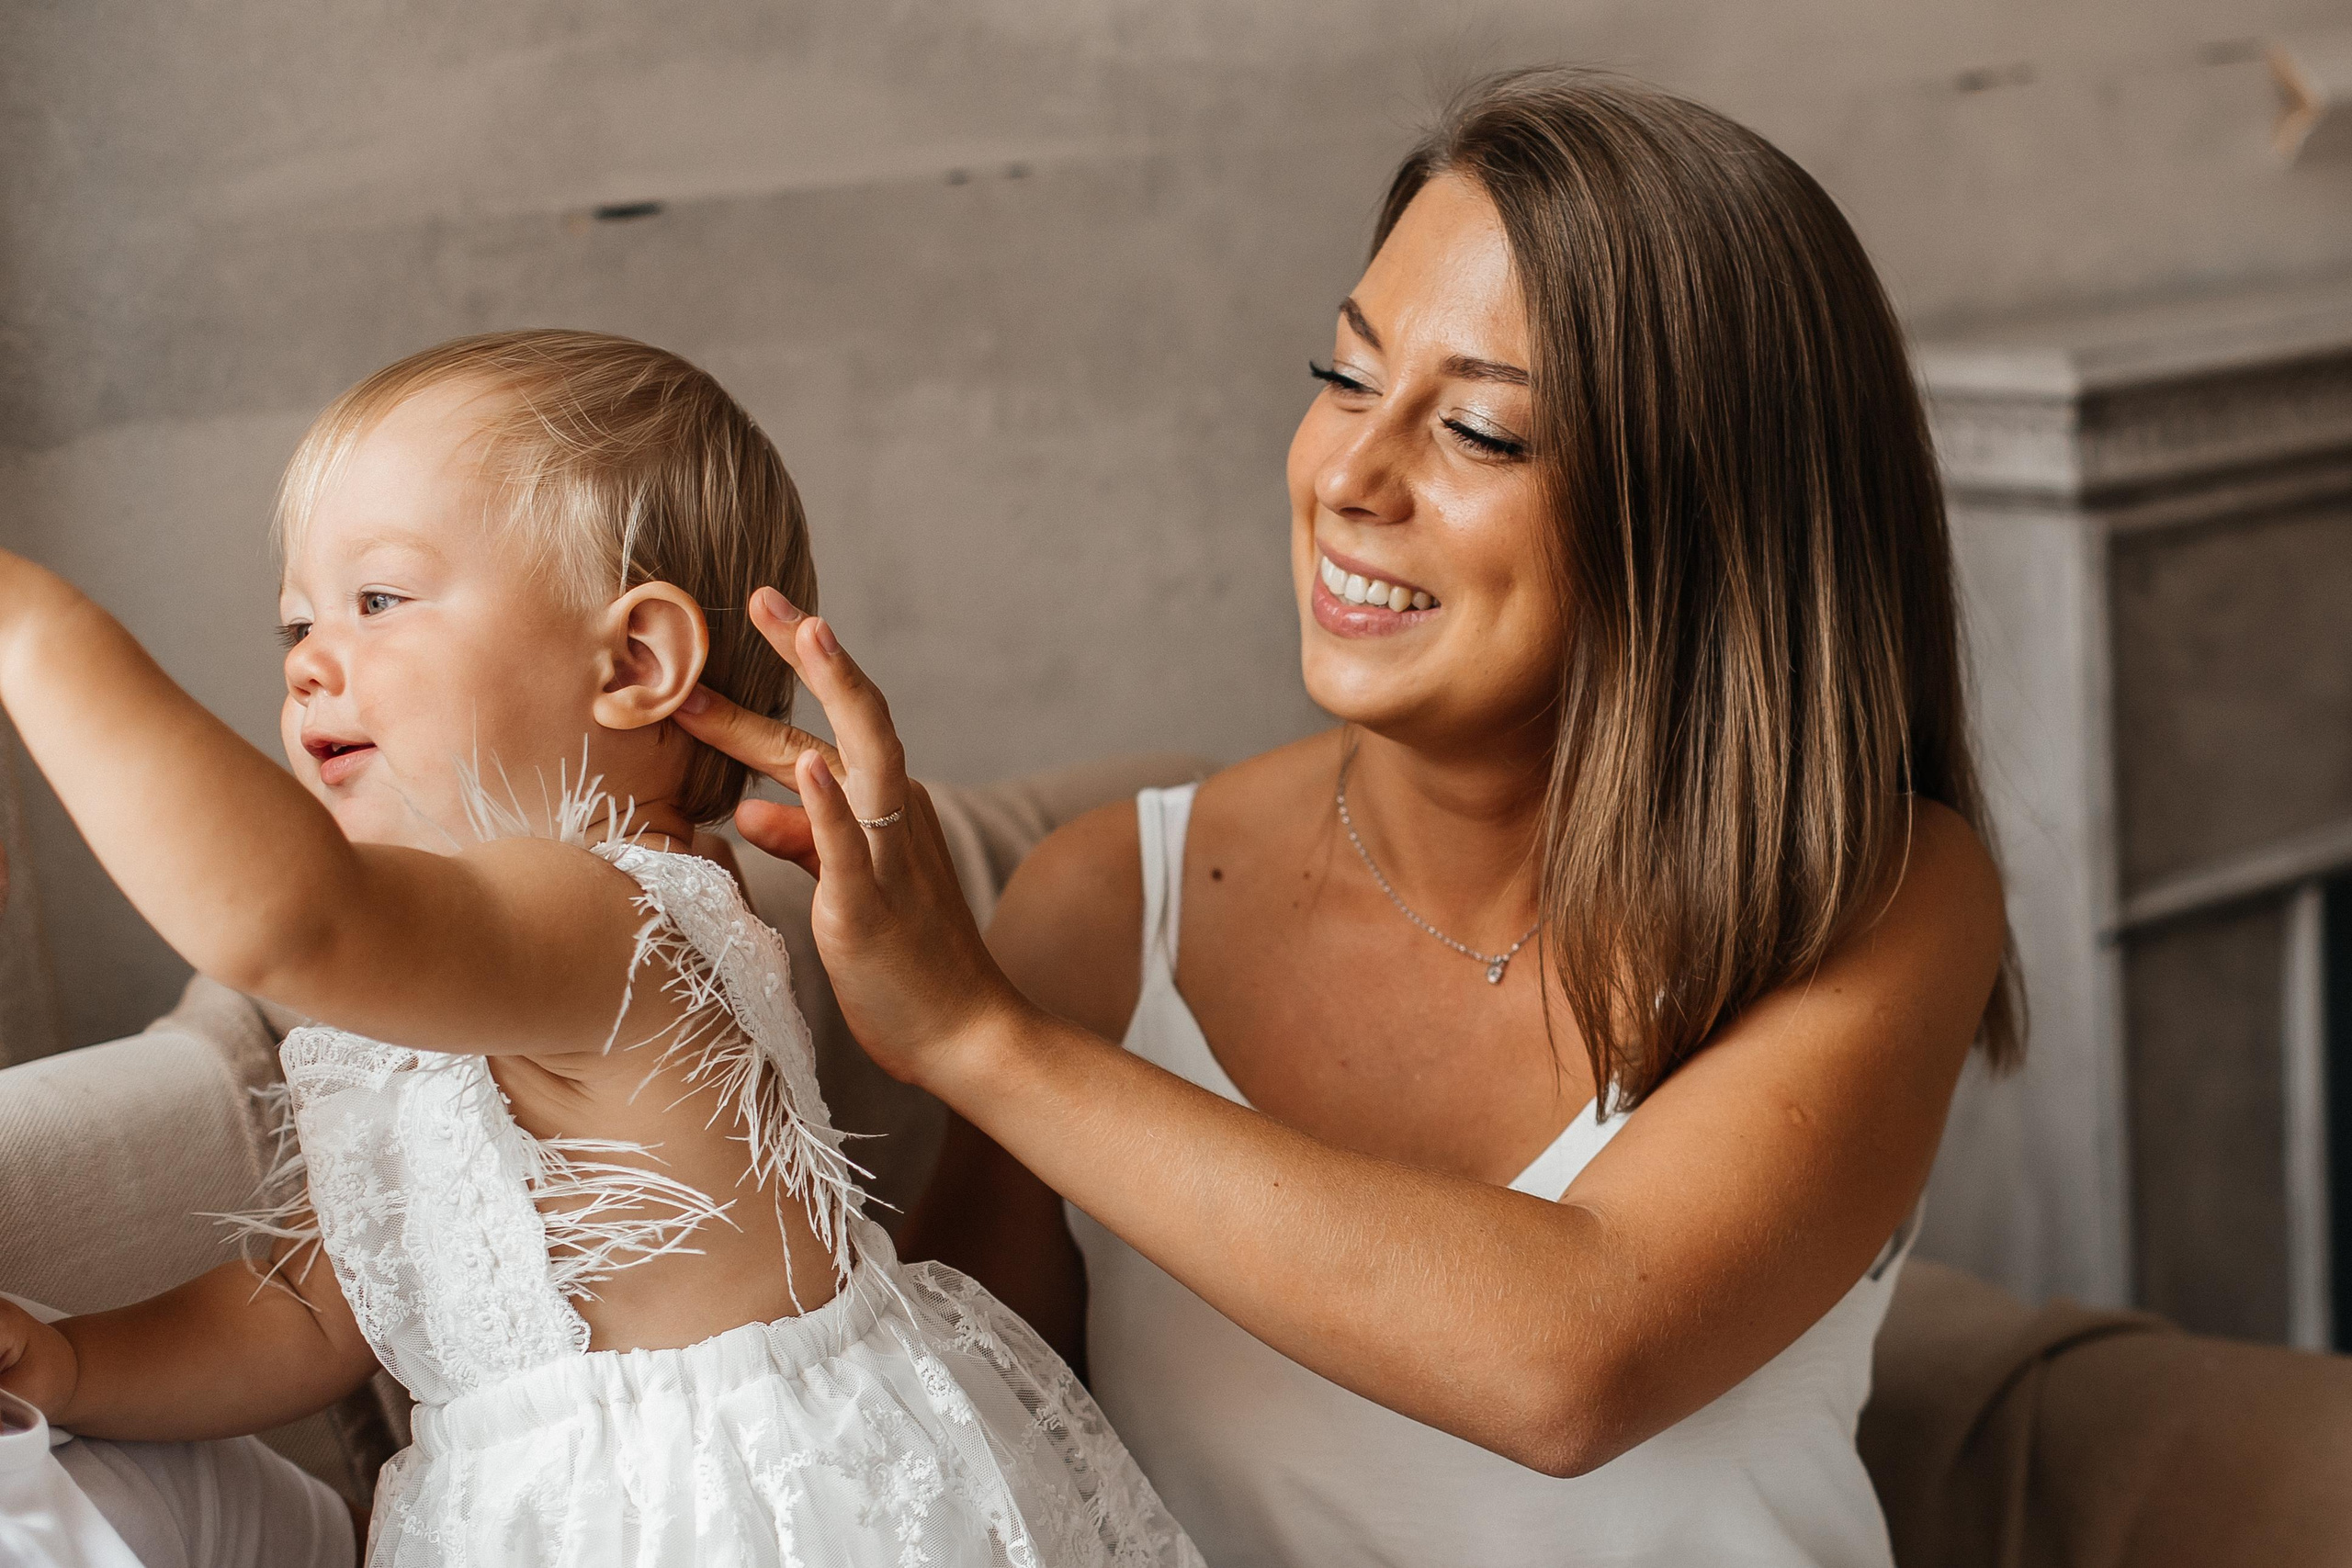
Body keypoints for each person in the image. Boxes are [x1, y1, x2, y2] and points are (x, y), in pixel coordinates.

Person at [676, 70, 2019, 1567]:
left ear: (1713, 519)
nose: (1351, 477)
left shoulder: (1870, 896)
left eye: (1483, 433)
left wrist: (980, 1038)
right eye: (1346, 376)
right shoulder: (1110, 911)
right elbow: (955, 1475)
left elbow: (1572, 1365)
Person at [0, 331, 1199, 1568]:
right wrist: (78, 1363)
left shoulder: (612, 919)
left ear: (632, 662)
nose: (308, 661)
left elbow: (291, 919)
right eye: (296, 621)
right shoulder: (458, 977)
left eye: (378, 602)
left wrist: (31, 628)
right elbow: (316, 1309)